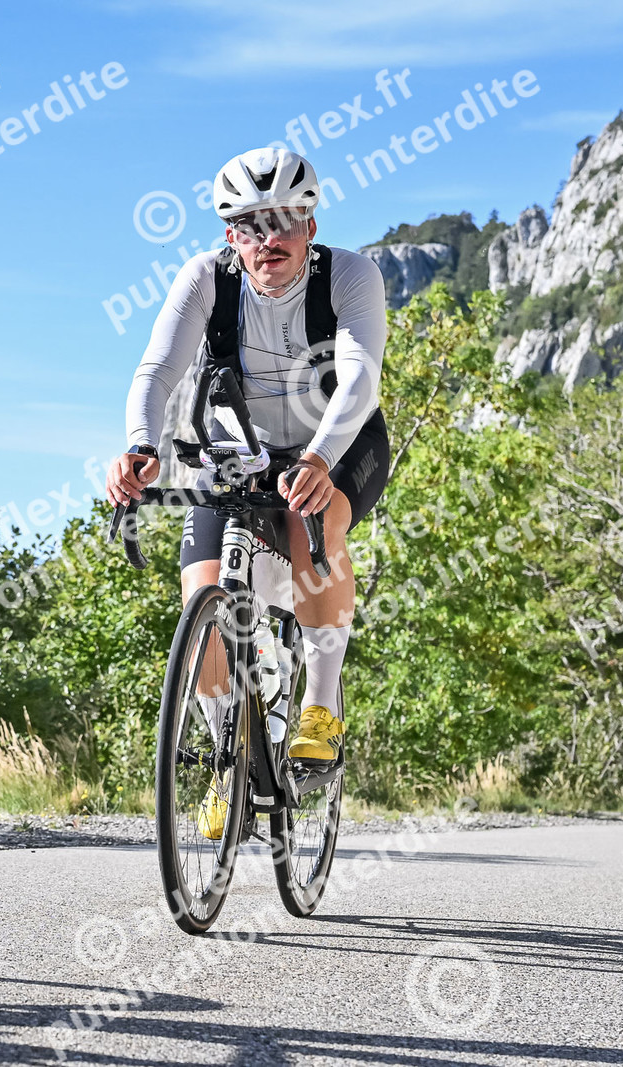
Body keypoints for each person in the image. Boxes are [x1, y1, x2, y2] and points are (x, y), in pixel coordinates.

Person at [107, 147, 390, 837]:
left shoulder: (351, 276)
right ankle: (225, 763)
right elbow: (157, 370)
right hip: (238, 451)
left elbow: (359, 378)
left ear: (310, 226)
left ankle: (319, 706)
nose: (270, 239)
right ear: (230, 235)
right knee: (202, 598)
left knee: (310, 523)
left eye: (285, 221)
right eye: (251, 226)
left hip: (339, 442)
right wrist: (140, 445)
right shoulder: (206, 279)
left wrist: (320, 459)